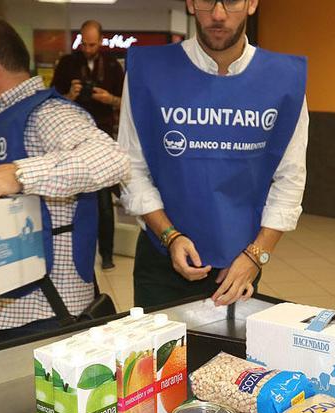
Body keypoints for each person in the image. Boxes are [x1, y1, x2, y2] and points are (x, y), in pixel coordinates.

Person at [0, 16, 129, 346]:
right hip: (0, 321)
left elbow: (112, 158)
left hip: (46, 326)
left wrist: (19, 174)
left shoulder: (48, 116)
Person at [119, 0, 309, 308]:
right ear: (191, 3)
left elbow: (290, 177)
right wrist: (170, 236)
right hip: (161, 257)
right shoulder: (147, 71)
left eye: (232, 0)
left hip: (240, 265)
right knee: (164, 356)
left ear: (251, 4)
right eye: (207, 0)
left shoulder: (285, 79)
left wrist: (256, 255)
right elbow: (129, 167)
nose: (219, 14)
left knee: (230, 356)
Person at [52, 20, 125, 272]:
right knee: (71, 203)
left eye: (92, 44)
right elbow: (52, 103)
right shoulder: (67, 64)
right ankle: (71, 255)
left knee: (104, 203)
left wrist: (109, 98)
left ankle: (106, 254)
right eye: (84, 43)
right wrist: (70, 96)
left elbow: (126, 103)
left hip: (102, 140)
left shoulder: (114, 67)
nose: (88, 48)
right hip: (71, 140)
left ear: (101, 41)